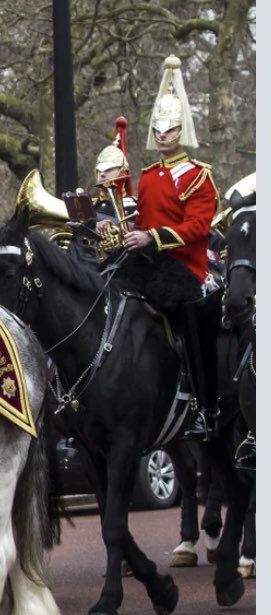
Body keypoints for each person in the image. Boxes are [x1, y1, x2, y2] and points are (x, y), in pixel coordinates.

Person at [120, 54, 220, 441]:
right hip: (148, 259)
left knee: (191, 313)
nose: (162, 135)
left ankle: (204, 406)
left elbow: (197, 227)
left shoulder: (197, 176)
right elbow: (143, 220)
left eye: (169, 129)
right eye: (158, 129)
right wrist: (129, 233)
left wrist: (153, 238)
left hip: (185, 266)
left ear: (181, 131)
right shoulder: (147, 177)